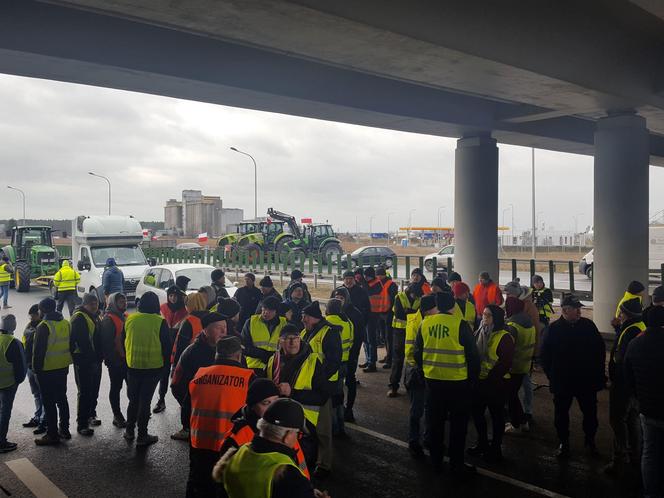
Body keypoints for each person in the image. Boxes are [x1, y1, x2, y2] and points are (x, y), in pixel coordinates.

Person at [414, 292, 479, 477]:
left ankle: (436, 462)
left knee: (435, 424)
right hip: (458, 383)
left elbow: (417, 353)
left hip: (433, 382)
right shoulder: (460, 324)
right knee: (458, 427)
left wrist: (426, 369)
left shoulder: (425, 324)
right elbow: (473, 356)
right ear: (452, 306)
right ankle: (456, 465)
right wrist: (473, 381)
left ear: (438, 305)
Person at [219, 399, 330, 498]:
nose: (297, 438)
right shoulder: (290, 477)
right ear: (287, 436)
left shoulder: (238, 452)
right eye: (298, 434)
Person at [187, 336, 254, 498]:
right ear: (238, 355)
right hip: (231, 445)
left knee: (198, 485)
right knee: (226, 488)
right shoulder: (248, 378)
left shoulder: (200, 374)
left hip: (199, 443)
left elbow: (186, 407)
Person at [540, 294, 606, 458]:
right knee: (561, 415)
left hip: (586, 382)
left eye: (579, 308)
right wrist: (553, 376)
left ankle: (590, 441)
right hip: (563, 382)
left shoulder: (588, 326)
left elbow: (599, 352)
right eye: (576, 309)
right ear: (565, 310)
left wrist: (597, 375)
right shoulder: (553, 330)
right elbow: (545, 357)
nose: (579, 311)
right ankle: (564, 442)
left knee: (590, 414)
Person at [267, 324, 329, 469]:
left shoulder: (313, 361)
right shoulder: (273, 361)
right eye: (288, 338)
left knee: (302, 467)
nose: (293, 342)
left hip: (304, 426)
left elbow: (323, 396)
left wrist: (292, 393)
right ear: (280, 341)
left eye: (296, 338)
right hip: (278, 423)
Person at [624, 306, 664, 498]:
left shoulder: (635, 344)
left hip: (647, 407)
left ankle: (650, 492)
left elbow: (628, 375)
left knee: (649, 452)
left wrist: (636, 396)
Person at [171, 312, 229, 442]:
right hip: (200, 415)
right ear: (205, 330)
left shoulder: (231, 350)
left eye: (225, 327)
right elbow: (177, 385)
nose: (224, 331)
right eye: (218, 327)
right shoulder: (192, 352)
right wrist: (189, 407)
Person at [123, 291, 171, 447]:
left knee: (133, 400)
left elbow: (124, 340)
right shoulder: (160, 322)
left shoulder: (130, 319)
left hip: (133, 366)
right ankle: (142, 435)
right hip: (152, 368)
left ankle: (129, 431)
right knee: (145, 402)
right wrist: (166, 368)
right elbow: (167, 348)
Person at [300, 301, 342, 479]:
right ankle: (311, 458)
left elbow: (334, 361)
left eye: (304, 317)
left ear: (311, 318)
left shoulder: (329, 332)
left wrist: (319, 379)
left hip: (322, 387)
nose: (302, 320)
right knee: (308, 426)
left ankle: (324, 464)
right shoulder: (305, 332)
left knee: (323, 429)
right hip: (306, 386)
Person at [468, 305, 514, 462]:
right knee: (477, 414)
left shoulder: (504, 337)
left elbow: (505, 363)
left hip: (496, 384)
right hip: (479, 383)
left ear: (497, 318)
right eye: (483, 314)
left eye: (488, 315)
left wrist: (488, 378)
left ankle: (495, 448)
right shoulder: (478, 333)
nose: (484, 317)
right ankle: (482, 443)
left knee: (496, 416)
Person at [605, 297, 645, 475]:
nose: (619, 315)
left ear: (627, 314)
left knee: (617, 420)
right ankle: (637, 456)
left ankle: (620, 459)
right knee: (632, 419)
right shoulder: (639, 326)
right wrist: (617, 328)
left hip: (623, 384)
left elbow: (622, 358)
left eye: (621, 312)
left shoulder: (629, 331)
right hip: (635, 384)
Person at [33, 297, 72, 445]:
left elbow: (38, 352)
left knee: (48, 403)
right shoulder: (65, 323)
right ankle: (65, 430)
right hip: (62, 367)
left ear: (42, 310)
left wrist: (36, 370)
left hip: (47, 370)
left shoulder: (44, 326)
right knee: (62, 399)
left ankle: (52, 434)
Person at [404, 294, 436, 458]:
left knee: (429, 408)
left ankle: (428, 438)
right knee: (417, 409)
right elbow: (410, 352)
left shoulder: (429, 321)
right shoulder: (415, 322)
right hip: (417, 372)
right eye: (435, 309)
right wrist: (420, 369)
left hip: (428, 371)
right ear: (428, 310)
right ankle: (414, 440)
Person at [70, 292, 102, 436]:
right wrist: (92, 360)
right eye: (92, 304)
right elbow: (83, 342)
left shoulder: (94, 316)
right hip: (84, 361)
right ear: (85, 304)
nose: (95, 306)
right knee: (84, 392)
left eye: (96, 303)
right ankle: (82, 423)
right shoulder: (79, 318)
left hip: (94, 360)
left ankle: (91, 414)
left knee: (93, 390)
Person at [330, 286, 363, 423]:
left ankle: (349, 409)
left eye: (341, 298)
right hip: (337, 358)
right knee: (338, 385)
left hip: (350, 356)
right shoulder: (333, 314)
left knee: (350, 381)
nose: (339, 300)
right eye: (336, 297)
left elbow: (359, 337)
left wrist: (353, 355)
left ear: (347, 299)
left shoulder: (354, 314)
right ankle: (340, 409)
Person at [503, 295, 536, 434]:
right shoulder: (529, 322)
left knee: (511, 396)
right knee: (514, 394)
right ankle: (523, 421)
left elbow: (508, 349)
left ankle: (517, 424)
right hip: (525, 364)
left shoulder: (513, 326)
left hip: (513, 366)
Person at [96, 292, 129, 428]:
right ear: (113, 303)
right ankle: (117, 415)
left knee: (132, 387)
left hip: (128, 360)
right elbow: (106, 344)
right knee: (116, 388)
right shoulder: (108, 320)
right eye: (121, 302)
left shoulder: (125, 317)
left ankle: (135, 412)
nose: (124, 304)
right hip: (116, 362)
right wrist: (114, 361)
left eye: (125, 301)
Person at [155, 285, 188, 414]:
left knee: (180, 377)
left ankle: (183, 401)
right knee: (163, 375)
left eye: (176, 296)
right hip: (165, 348)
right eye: (171, 296)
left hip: (179, 349)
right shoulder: (162, 308)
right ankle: (161, 400)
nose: (173, 298)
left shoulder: (185, 311)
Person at [324, 299, 353, 438]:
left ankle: (334, 428)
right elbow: (351, 342)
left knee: (331, 398)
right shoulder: (348, 322)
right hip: (344, 363)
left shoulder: (327, 322)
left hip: (332, 364)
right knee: (339, 396)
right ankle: (341, 426)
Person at [389, 283, 422, 398]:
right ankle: (393, 386)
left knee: (411, 359)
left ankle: (409, 384)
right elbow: (399, 314)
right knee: (398, 360)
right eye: (414, 295)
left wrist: (408, 311)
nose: (416, 298)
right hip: (400, 331)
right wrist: (412, 313)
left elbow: (420, 313)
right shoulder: (400, 297)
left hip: (413, 332)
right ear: (409, 291)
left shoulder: (419, 298)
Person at [0, 315, 26, 452]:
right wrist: (18, 381)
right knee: (4, 412)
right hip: (8, 384)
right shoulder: (14, 343)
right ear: (14, 327)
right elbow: (21, 367)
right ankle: (1, 441)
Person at [241, 296, 287, 373]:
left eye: (270, 310)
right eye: (264, 308)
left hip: (275, 368)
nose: (266, 312)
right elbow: (243, 346)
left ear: (276, 311)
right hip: (253, 367)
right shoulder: (251, 322)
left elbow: (288, 347)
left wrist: (273, 357)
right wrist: (263, 354)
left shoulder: (284, 324)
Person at [22, 304, 46, 434]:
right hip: (29, 366)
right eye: (30, 316)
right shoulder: (29, 326)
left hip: (39, 367)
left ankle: (43, 421)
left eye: (34, 315)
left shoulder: (42, 327)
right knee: (36, 394)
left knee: (43, 395)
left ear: (39, 314)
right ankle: (38, 417)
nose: (31, 318)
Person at [171, 292, 209, 371]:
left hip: (189, 361)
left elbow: (181, 346)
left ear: (190, 305)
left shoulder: (189, 321)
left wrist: (175, 365)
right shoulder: (211, 318)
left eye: (186, 305)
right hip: (207, 362)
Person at [375, 266, 398, 369]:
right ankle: (388, 355)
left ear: (383, 275)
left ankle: (390, 359)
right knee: (384, 336)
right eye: (377, 275)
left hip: (388, 313)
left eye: (379, 275)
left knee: (389, 337)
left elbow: (393, 299)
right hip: (380, 313)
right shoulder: (377, 284)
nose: (378, 277)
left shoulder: (391, 284)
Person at [363, 267, 383, 373]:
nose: (365, 278)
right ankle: (368, 359)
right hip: (367, 314)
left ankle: (372, 363)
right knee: (365, 339)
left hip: (373, 314)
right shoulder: (369, 282)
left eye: (367, 276)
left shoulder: (377, 284)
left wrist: (362, 282)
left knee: (371, 339)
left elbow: (368, 291)